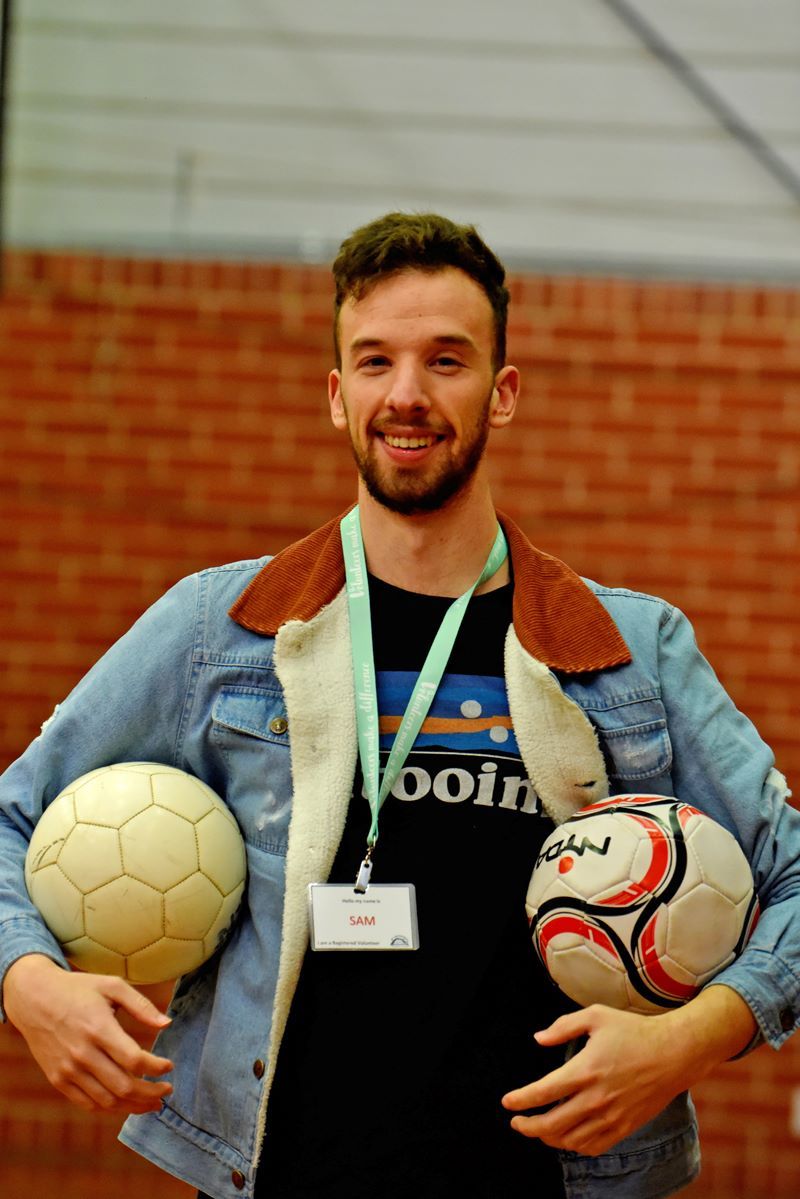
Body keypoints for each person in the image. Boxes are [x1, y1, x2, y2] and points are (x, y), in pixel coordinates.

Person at [0, 212, 798, 1199]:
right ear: (337, 397)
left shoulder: (630, 649)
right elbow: (11, 817)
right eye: (374, 361)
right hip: (275, 1175)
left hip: (541, 1184)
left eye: (445, 360)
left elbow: (793, 876)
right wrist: (28, 980)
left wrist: (687, 1036)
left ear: (501, 393)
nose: (406, 395)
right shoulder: (224, 628)